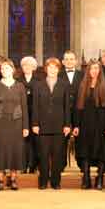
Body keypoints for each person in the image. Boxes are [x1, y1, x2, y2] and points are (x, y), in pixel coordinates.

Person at [0, 59, 29, 191]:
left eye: (7, 68)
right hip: (0, 123)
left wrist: (25, 127)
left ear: (13, 70)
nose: (5, 71)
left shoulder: (20, 86)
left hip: (17, 123)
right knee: (0, 150)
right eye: (3, 69)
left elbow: (24, 107)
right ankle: (0, 180)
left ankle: (13, 179)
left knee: (15, 151)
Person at [32, 58, 71, 189]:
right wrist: (35, 124)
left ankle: (55, 182)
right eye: (50, 67)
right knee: (43, 155)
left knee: (57, 156)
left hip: (59, 125)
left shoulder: (64, 84)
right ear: (46, 69)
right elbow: (35, 106)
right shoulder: (38, 84)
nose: (52, 69)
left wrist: (67, 125)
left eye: (55, 67)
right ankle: (43, 181)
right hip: (42, 125)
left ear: (58, 70)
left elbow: (67, 106)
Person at [74, 60, 105, 190]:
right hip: (85, 123)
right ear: (88, 71)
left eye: (97, 68)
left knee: (101, 151)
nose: (94, 71)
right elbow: (78, 107)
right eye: (92, 68)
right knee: (85, 150)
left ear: (100, 70)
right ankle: (86, 178)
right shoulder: (83, 85)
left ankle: (100, 178)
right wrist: (77, 125)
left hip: (101, 124)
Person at [60, 50, 83, 169]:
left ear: (76, 61)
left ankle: (81, 163)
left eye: (71, 59)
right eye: (67, 59)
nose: (69, 61)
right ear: (63, 62)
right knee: (62, 138)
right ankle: (61, 163)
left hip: (79, 110)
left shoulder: (82, 75)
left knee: (80, 138)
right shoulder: (58, 75)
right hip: (63, 111)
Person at [19, 56, 40, 173]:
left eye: (30, 65)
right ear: (22, 68)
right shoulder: (17, 81)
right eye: (24, 65)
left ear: (34, 68)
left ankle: (33, 165)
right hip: (21, 114)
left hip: (34, 114)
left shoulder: (38, 81)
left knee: (34, 141)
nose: (27, 67)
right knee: (22, 141)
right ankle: (23, 164)